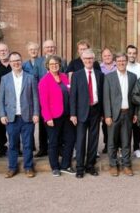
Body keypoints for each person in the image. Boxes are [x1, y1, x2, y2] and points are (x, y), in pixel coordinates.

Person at [0, 52, 40, 178]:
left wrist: (36, 113)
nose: (16, 63)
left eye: (18, 60)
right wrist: (2, 114)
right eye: (13, 61)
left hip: (27, 116)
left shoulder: (30, 77)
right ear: (10, 63)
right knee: (13, 144)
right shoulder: (5, 79)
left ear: (21, 61)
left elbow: (35, 98)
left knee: (27, 144)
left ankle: (28, 167)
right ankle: (12, 168)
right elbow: (0, 99)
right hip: (11, 117)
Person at [38, 55, 75, 177]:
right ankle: (54, 167)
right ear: (47, 66)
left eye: (56, 63)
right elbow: (43, 102)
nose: (54, 66)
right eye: (52, 64)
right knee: (53, 142)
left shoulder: (64, 77)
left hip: (67, 115)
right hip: (53, 117)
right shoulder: (44, 81)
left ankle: (65, 165)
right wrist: (47, 117)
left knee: (70, 140)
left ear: (60, 65)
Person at [70, 49, 104, 178]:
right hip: (81, 112)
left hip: (95, 110)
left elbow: (101, 95)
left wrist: (103, 113)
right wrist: (73, 114)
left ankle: (90, 165)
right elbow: (73, 96)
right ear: (82, 60)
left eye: (91, 58)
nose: (89, 61)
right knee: (80, 140)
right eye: (86, 59)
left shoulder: (100, 75)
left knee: (93, 140)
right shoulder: (77, 75)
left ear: (94, 59)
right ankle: (79, 168)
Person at [103, 53, 137, 176]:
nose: (121, 63)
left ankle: (126, 165)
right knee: (112, 142)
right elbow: (106, 98)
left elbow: (134, 97)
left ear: (127, 62)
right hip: (113, 115)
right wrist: (107, 115)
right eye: (119, 60)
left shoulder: (133, 77)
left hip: (128, 113)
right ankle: (113, 165)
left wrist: (135, 113)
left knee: (126, 141)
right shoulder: (109, 77)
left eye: (123, 60)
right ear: (115, 62)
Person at [22, 41, 48, 157]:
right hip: (29, 96)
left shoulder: (43, 61)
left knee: (43, 122)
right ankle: (31, 145)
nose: (33, 51)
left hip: (41, 95)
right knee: (29, 121)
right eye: (31, 49)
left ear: (39, 50)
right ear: (28, 51)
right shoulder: (24, 65)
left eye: (35, 49)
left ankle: (44, 147)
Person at [126, 44, 140, 159]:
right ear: (126, 54)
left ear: (136, 54)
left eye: (134, 53)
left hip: (138, 101)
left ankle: (137, 148)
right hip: (126, 101)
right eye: (129, 53)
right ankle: (125, 148)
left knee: (136, 126)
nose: (132, 55)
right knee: (125, 126)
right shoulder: (122, 65)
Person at [99, 47, 117, 154]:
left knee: (116, 122)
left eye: (109, 55)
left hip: (116, 99)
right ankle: (107, 143)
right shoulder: (99, 67)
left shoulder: (117, 65)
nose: (107, 57)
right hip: (104, 99)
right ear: (102, 57)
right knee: (105, 123)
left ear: (112, 56)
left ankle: (116, 144)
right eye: (105, 56)